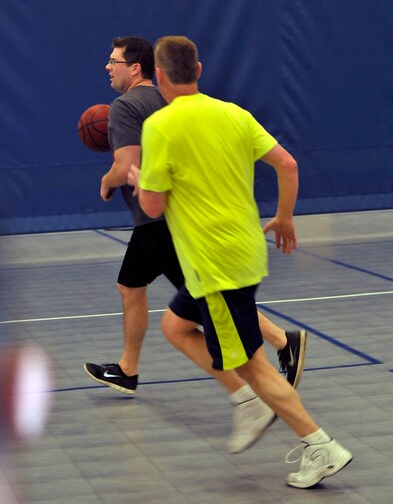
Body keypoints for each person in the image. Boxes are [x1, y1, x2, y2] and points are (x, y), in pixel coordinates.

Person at [128, 35, 353, 488]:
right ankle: (248, 403)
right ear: (199, 69)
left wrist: (138, 178)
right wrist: (285, 216)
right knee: (175, 326)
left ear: (158, 74)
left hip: (214, 265)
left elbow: (152, 208)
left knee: (252, 364)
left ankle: (319, 445)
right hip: (244, 251)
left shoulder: (161, 126)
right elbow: (287, 164)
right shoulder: (234, 113)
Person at [83, 36, 307, 454]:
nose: (107, 67)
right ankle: (129, 368)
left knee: (216, 317)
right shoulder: (190, 107)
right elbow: (286, 162)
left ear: (141, 69)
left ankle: (283, 396)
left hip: (169, 225)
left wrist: (108, 180)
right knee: (136, 289)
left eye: (113, 61)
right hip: (203, 231)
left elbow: (129, 167)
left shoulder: (126, 108)